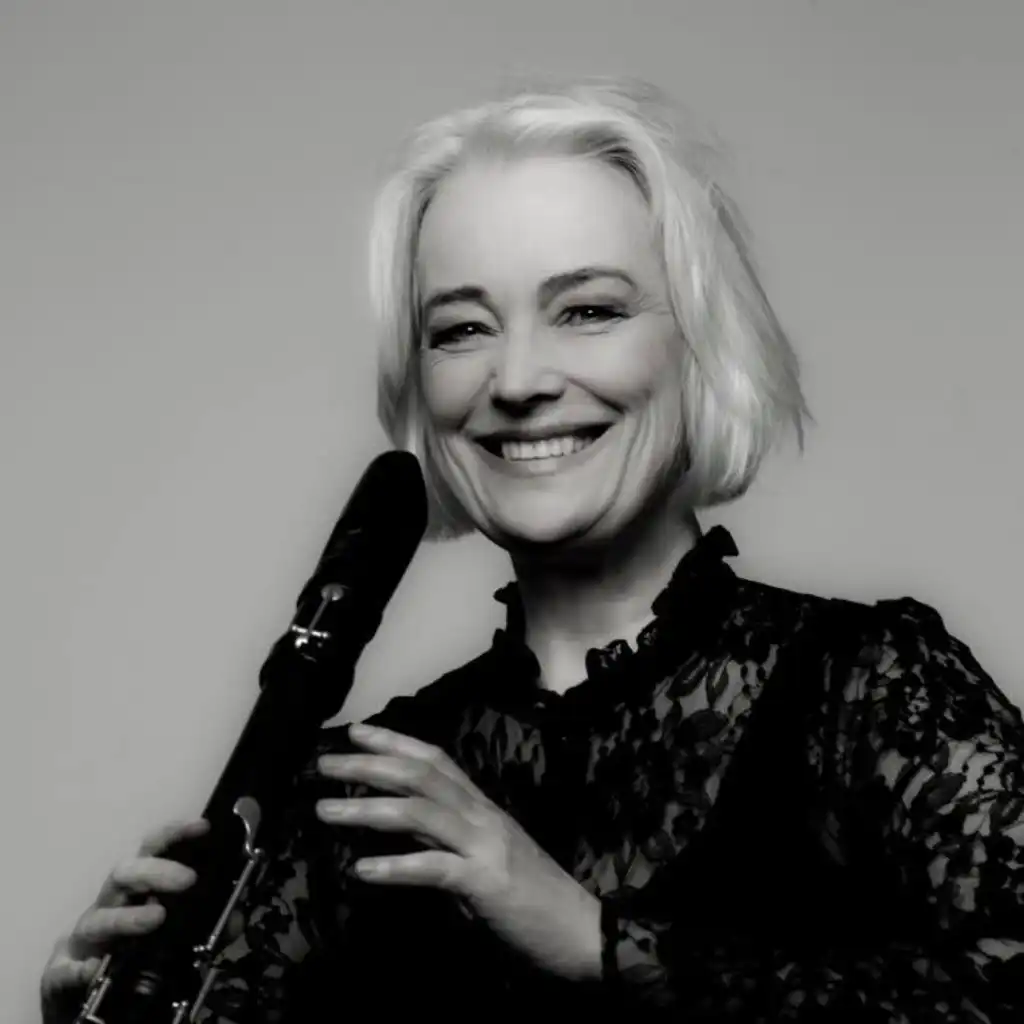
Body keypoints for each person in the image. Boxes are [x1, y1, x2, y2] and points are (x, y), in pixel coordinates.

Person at [41, 78, 1024, 1022]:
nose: (516, 381)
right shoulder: (352, 797)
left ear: (701, 345)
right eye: (462, 328)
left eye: (587, 309)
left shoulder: (866, 690)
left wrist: (594, 941)